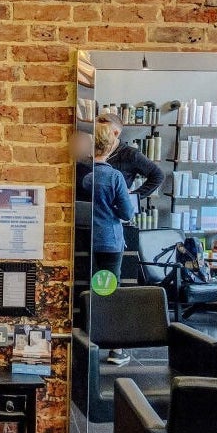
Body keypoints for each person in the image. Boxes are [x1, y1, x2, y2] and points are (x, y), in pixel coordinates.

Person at [88, 123, 137, 365]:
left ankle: (87, 342)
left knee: (89, 291)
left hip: (86, 241)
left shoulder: (85, 177)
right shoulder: (114, 177)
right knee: (109, 292)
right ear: (110, 146)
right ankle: (116, 350)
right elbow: (127, 213)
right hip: (109, 242)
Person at [99, 114, 164, 201]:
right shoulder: (93, 150)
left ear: (116, 133)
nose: (98, 135)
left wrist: (133, 197)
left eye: (102, 132)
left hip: (116, 210)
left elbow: (158, 175)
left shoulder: (131, 154)